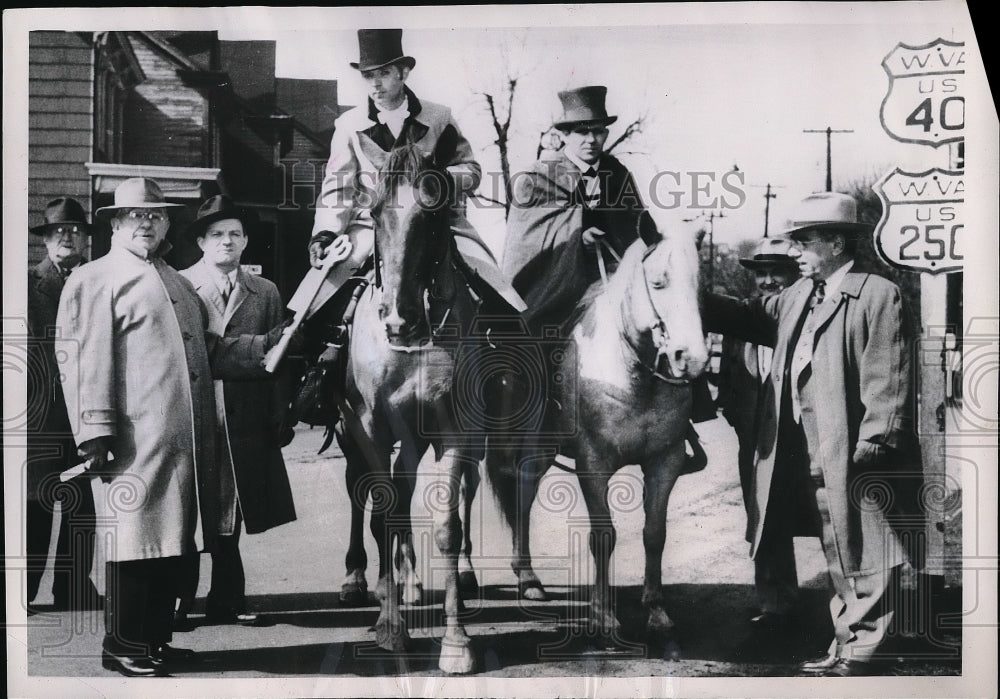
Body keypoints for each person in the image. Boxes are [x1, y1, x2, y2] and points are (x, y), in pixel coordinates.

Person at [55, 178, 292, 677]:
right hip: (134, 439)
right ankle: (122, 645)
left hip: (182, 440)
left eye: (155, 215)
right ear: (116, 223)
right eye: (136, 215)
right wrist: (94, 433)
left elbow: (210, 350)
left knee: (172, 543)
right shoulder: (97, 278)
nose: (147, 223)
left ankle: (154, 640)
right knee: (132, 540)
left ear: (166, 223)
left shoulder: (173, 278)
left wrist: (273, 343)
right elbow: (82, 360)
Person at [704, 192, 922, 676]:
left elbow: (888, 372)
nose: (794, 251)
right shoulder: (798, 296)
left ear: (838, 244)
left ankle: (861, 648)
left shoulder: (876, 294)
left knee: (862, 541)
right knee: (836, 541)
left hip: (854, 441)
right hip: (804, 443)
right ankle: (847, 641)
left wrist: (878, 435)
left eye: (804, 241)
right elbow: (744, 315)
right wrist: (680, 286)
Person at [307, 28, 523, 343]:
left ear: (404, 72)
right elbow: (337, 188)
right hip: (371, 226)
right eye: (368, 76)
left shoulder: (439, 118)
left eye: (384, 73)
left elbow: (472, 170)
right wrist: (326, 233)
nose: (376, 84)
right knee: (313, 300)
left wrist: (442, 179)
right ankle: (315, 373)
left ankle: (505, 356)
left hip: (438, 222)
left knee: (492, 283)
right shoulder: (350, 127)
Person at [176, 195, 297, 629]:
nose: (226, 241)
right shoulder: (181, 286)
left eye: (234, 234)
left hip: (244, 416)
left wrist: (280, 410)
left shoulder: (265, 292)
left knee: (233, 507)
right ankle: (178, 598)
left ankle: (228, 597)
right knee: (188, 505)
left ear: (245, 241)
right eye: (216, 234)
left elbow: (280, 357)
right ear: (201, 242)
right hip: (194, 410)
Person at [503, 85, 652, 334]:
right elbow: (527, 245)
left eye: (598, 132)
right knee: (532, 340)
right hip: (554, 286)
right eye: (582, 132)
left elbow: (636, 231)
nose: (591, 140)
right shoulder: (538, 178)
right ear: (565, 136)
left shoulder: (618, 174)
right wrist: (578, 238)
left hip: (613, 278)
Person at [715, 237, 802, 631]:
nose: (768, 281)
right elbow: (730, 374)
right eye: (761, 274)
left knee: (823, 518)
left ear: (794, 275)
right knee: (762, 520)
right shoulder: (743, 320)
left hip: (800, 438)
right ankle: (774, 603)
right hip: (755, 440)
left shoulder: (804, 314)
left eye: (777, 272)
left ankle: (847, 603)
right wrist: (737, 417)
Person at [26, 197, 101, 613]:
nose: (66, 237)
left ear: (87, 238)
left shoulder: (97, 283)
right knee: (35, 506)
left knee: (81, 507)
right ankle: (24, 590)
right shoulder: (27, 286)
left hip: (85, 415)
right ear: (46, 240)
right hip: (40, 417)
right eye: (58, 232)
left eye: (74, 230)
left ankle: (72, 588)